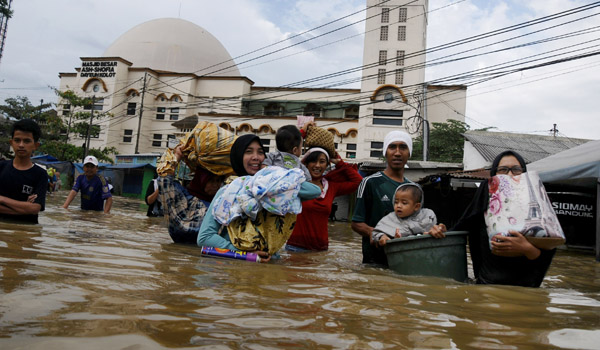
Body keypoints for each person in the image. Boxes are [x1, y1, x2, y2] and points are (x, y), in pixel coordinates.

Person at [197, 134, 321, 262]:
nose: (256, 157)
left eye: (261, 152)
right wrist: (246, 253)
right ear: (238, 157)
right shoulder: (228, 192)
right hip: (235, 266)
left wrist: (277, 176)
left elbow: (314, 191)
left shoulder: (278, 192)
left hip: (271, 266)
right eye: (248, 152)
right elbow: (205, 237)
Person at [453, 150, 556, 287]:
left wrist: (526, 248)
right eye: (503, 170)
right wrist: (439, 231)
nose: (509, 175)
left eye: (516, 170)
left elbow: (550, 248)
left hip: (526, 290)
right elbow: (460, 229)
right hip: (487, 288)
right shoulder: (485, 194)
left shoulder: (536, 201)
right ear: (493, 174)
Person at [352, 130, 446, 266]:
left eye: (403, 147)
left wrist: (435, 230)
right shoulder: (370, 183)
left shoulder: (416, 190)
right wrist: (377, 234)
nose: (397, 152)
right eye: (392, 147)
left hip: (404, 263)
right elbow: (356, 223)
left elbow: (420, 225)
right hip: (374, 263)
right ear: (385, 152)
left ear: (409, 153)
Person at [285, 147, 362, 251]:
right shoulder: (297, 183)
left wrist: (339, 162)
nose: (317, 165)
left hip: (321, 249)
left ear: (327, 165)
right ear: (306, 164)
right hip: (295, 246)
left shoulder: (331, 186)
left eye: (322, 162)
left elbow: (358, 182)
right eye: (313, 161)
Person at [158, 148, 225, 243]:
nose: (216, 185)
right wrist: (177, 156)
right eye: (211, 181)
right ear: (201, 181)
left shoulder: (220, 205)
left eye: (218, 181)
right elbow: (164, 180)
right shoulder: (185, 199)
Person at [0, 119, 48, 223]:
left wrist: (2, 199)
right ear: (11, 143)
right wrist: (24, 208)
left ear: (35, 145)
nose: (21, 145)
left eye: (27, 141)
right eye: (17, 140)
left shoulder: (40, 174)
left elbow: (34, 209)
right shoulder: (1, 168)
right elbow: (29, 210)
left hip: (26, 231)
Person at [372, 183, 446, 246]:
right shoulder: (390, 218)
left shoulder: (427, 215)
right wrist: (383, 237)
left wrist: (437, 230)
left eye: (404, 203)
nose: (398, 206)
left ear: (416, 206)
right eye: (396, 202)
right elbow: (376, 233)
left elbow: (434, 231)